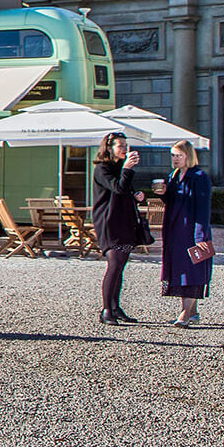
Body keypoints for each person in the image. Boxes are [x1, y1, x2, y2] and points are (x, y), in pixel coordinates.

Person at [92, 132, 148, 325]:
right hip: (109, 223)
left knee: (120, 267)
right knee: (114, 265)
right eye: (120, 145)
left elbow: (125, 192)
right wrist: (127, 169)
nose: (125, 148)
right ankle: (106, 310)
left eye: (126, 145)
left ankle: (115, 307)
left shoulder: (119, 167)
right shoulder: (103, 168)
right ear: (109, 148)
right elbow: (118, 188)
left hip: (124, 222)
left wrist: (137, 195)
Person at [162, 139, 214, 328]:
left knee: (193, 270)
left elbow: (203, 209)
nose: (175, 159)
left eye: (179, 155)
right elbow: (172, 201)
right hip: (176, 231)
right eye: (173, 155)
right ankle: (192, 311)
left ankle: (184, 314)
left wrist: (200, 236)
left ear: (188, 156)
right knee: (183, 270)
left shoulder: (199, 177)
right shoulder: (174, 175)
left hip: (192, 231)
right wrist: (163, 193)